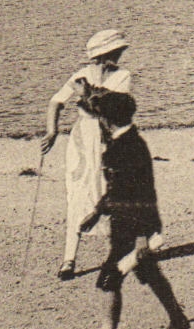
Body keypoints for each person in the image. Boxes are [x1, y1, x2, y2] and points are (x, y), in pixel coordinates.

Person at [75, 91, 190, 329]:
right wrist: (97, 211)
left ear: (107, 119)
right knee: (149, 272)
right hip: (127, 224)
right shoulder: (124, 142)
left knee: (108, 279)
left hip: (135, 228)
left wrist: (141, 238)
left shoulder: (127, 147)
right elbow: (118, 189)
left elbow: (140, 194)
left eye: (99, 117)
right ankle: (177, 319)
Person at [44, 29, 133, 281]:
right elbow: (56, 102)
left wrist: (86, 94)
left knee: (109, 192)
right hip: (83, 140)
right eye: (116, 52)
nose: (119, 56)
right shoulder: (81, 75)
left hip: (108, 137)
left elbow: (111, 107)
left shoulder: (123, 76)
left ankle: (116, 254)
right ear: (105, 54)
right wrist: (52, 131)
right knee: (77, 194)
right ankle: (68, 259)